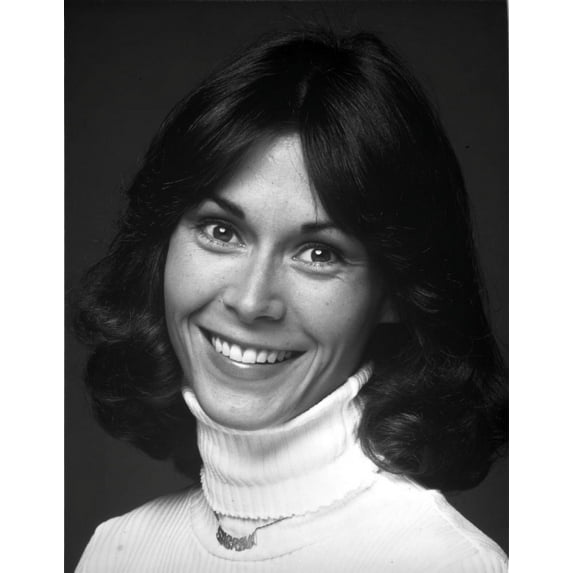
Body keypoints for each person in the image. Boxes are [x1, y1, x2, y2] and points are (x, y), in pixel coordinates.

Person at [74, 27, 508, 572]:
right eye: (221, 231)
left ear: (396, 293)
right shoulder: (118, 549)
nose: (251, 301)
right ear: (162, 246)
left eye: (319, 253)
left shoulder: (442, 562)